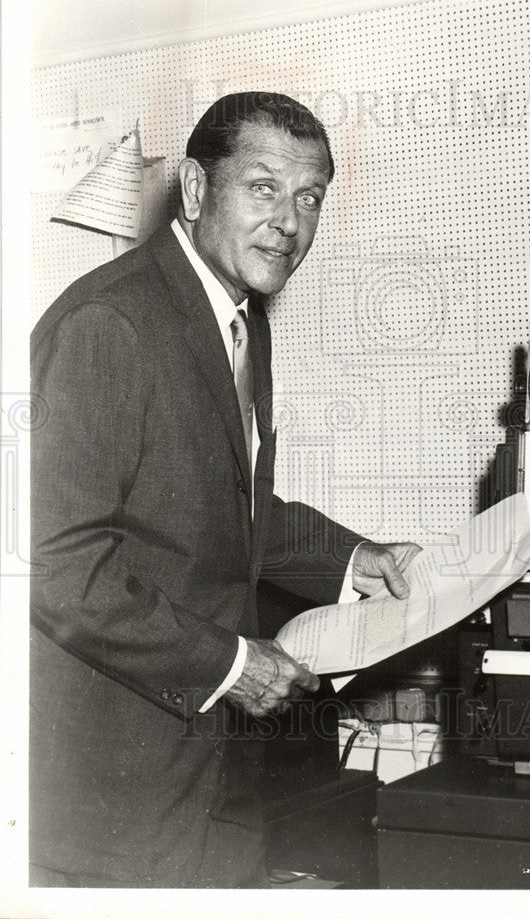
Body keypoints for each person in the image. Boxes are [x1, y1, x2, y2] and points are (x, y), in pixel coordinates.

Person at [29, 92, 421, 889]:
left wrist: (355, 558)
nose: (289, 222)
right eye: (263, 187)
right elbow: (56, 563)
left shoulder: (238, 317)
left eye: (309, 198)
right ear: (199, 189)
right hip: (120, 788)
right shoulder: (110, 322)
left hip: (213, 769)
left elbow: (219, 506)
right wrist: (229, 663)